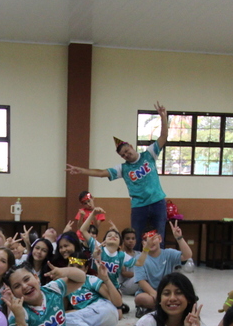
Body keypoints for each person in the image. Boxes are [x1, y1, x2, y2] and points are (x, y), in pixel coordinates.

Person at [66, 102, 170, 249]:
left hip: (157, 202)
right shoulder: (123, 168)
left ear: (132, 147)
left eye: (127, 151)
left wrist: (163, 117)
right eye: (123, 155)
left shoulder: (149, 154)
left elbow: (164, 136)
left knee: (159, 236)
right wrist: (81, 170)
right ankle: (137, 261)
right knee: (136, 239)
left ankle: (159, 261)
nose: (126, 155)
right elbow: (101, 173)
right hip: (139, 206)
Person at [132, 224, 193, 314]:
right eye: (146, 239)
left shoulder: (168, 253)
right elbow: (141, 281)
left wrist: (179, 238)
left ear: (160, 239)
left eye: (153, 238)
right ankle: (169, 306)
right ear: (143, 243)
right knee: (140, 299)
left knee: (187, 296)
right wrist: (156, 295)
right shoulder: (139, 258)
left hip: (169, 292)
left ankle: (161, 307)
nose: (150, 242)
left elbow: (187, 255)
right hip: (150, 294)